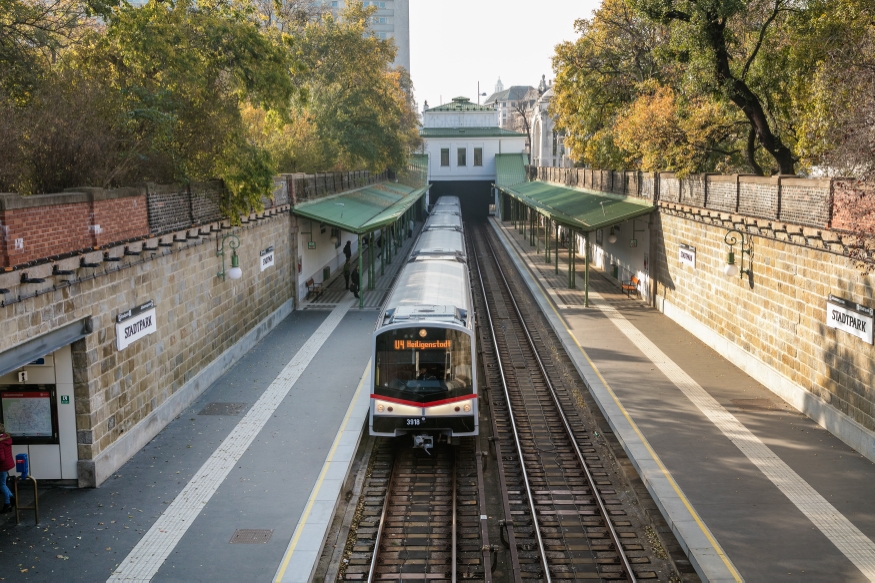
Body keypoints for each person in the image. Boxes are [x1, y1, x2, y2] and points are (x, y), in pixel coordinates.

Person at [0, 424, 14, 512]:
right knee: (3, 484)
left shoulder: (0, 442)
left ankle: (7, 503)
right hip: (7, 464)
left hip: (2, 466)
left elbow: (1, 458)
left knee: (1, 485)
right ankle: (12, 498)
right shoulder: (7, 438)